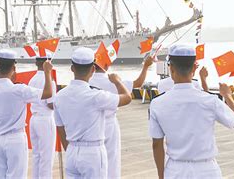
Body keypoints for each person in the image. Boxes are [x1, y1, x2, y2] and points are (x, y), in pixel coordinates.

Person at [149, 45, 234, 179]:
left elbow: (156, 144)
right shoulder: (210, 100)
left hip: (175, 170)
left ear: (171, 68)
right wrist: (228, 96)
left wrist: (161, 175)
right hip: (207, 170)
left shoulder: (157, 103)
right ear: (194, 68)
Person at [54, 47, 131, 178]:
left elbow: (60, 129)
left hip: (72, 150)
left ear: (72, 68)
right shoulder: (96, 96)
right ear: (93, 70)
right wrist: (117, 81)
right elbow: (127, 98)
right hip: (92, 152)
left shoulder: (60, 96)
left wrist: (72, 150)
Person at [0, 49, 53, 179]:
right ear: (14, 67)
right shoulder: (19, 89)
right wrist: (47, 72)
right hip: (16, 139)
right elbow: (48, 93)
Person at [89, 55, 154, 179]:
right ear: (106, 65)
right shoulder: (112, 80)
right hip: (109, 124)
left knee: (94, 161)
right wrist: (145, 66)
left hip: (92, 124)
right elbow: (138, 83)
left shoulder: (87, 81)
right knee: (112, 160)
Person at [27, 52, 57, 179]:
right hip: (45, 119)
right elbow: (51, 104)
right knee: (47, 157)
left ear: (36, 63)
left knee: (37, 155)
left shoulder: (32, 79)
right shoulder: (49, 80)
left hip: (34, 118)